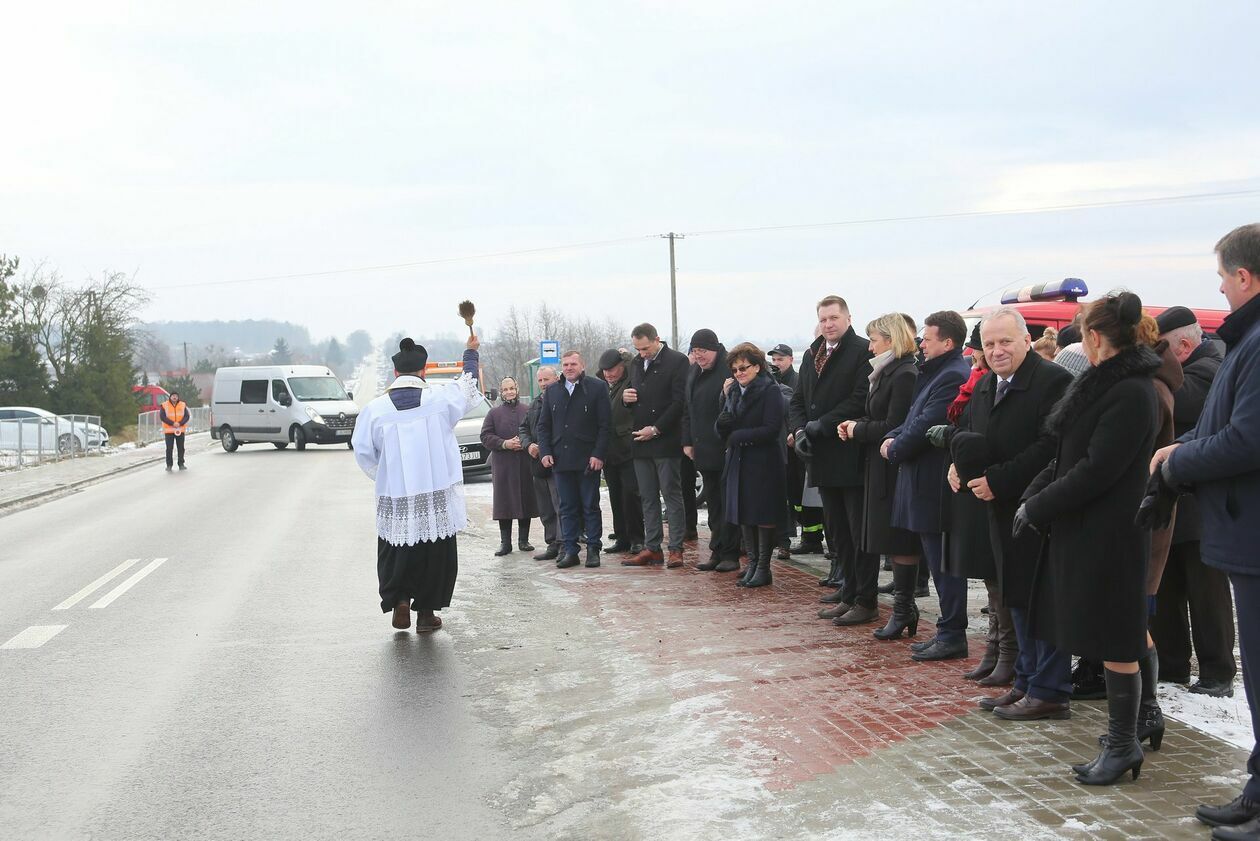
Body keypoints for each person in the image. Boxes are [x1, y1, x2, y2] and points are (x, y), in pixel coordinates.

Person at [1018, 291, 1161, 786]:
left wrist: (1040, 503)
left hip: (1113, 531)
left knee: (1116, 635)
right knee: (1118, 628)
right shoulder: (1106, 385)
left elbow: (1098, 469)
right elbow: (1066, 455)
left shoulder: (1131, 391)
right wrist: (1036, 495)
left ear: (1095, 337)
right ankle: (1143, 721)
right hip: (1090, 527)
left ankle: (1124, 744)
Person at [1152, 224, 1260, 837]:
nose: (1220, 286)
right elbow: (1219, 422)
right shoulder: (1246, 343)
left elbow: (1245, 438)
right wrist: (1184, 450)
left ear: (1243, 277)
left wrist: (1178, 459)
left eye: (1223, 275)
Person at [944, 308, 1073, 715]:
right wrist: (959, 466)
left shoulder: (1054, 382)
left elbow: (1051, 447)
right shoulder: (986, 386)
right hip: (998, 509)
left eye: (1005, 342)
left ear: (1026, 341)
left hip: (1038, 508)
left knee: (1038, 599)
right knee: (1014, 595)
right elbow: (973, 435)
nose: (997, 351)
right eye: (989, 344)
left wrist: (998, 479)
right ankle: (1025, 680)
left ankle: (1049, 689)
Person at [352, 335, 482, 633]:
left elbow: (362, 451)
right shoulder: (440, 399)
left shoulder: (376, 409)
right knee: (436, 551)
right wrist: (470, 352)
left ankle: (399, 600)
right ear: (423, 372)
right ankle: (425, 613)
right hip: (435, 494)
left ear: (395, 373)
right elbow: (468, 383)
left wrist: (385, 475)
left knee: (395, 548)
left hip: (396, 497)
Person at [1150, 307, 1236, 697]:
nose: (1158, 360)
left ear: (1183, 345)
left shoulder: (1209, 370)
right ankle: (1172, 663)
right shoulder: (1194, 367)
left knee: (1207, 595)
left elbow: (1177, 402)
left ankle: (1218, 671)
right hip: (1176, 501)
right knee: (1168, 587)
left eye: (1162, 350)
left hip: (1200, 507)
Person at [881, 310, 971, 661]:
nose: (921, 343)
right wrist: (892, 436)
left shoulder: (952, 375)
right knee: (936, 562)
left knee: (944, 564)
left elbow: (928, 423)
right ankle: (947, 630)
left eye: (928, 338)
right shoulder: (934, 372)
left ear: (947, 342)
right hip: (921, 481)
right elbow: (911, 417)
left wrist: (895, 448)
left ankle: (952, 634)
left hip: (934, 485)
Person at [788, 296, 871, 614]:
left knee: (855, 529)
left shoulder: (862, 351)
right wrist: (799, 430)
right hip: (820, 454)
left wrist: (820, 424)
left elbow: (860, 398)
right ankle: (847, 590)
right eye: (823, 319)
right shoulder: (812, 354)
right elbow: (798, 399)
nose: (828, 324)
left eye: (834, 318)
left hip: (847, 452)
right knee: (835, 529)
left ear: (848, 318)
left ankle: (864, 597)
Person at [837, 314, 919, 635]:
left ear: (891, 339)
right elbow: (877, 415)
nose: (870, 347)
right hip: (877, 464)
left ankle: (903, 608)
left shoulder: (904, 374)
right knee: (884, 536)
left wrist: (859, 429)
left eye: (874, 340)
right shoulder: (886, 372)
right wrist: (855, 424)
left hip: (891, 468)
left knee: (898, 539)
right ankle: (902, 608)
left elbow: (894, 425)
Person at [716, 343, 787, 588]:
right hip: (738, 460)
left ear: (757, 366)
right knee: (744, 511)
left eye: (744, 368)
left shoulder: (770, 390)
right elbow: (725, 424)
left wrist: (737, 436)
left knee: (762, 512)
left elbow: (772, 428)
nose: (739, 373)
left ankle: (764, 567)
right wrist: (722, 424)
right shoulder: (734, 391)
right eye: (735, 370)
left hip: (763, 461)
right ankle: (753, 563)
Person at [622, 323, 690, 568]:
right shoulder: (636, 364)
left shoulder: (678, 361)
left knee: (671, 495)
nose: (642, 354)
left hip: (665, 440)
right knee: (647, 497)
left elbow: (679, 401)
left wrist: (657, 428)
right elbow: (635, 396)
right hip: (641, 440)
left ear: (657, 339)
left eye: (645, 348)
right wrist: (626, 399)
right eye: (638, 349)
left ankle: (675, 549)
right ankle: (652, 548)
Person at [536, 351, 611, 569]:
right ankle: (570, 550)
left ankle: (593, 549)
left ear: (582, 365)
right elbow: (544, 426)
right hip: (561, 459)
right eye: (566, 364)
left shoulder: (596, 388)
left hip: (588, 459)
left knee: (590, 505)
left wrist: (599, 454)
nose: (569, 368)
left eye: (573, 364)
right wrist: (545, 451)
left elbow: (605, 425)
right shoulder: (553, 391)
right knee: (566, 507)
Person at [682, 329, 741, 572]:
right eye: (695, 352)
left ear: (715, 349)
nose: (699, 356)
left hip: (725, 448)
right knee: (714, 504)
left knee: (728, 503)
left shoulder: (729, 370)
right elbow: (688, 409)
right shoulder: (694, 371)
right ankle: (717, 550)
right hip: (703, 449)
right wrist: (687, 441)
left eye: (703, 351)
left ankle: (731, 553)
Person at [480, 377, 538, 556]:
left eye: (512, 388)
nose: (509, 392)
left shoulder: (527, 410)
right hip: (503, 465)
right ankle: (505, 543)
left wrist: (526, 442)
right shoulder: (493, 414)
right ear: (501, 392)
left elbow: (535, 431)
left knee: (525, 498)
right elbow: (485, 436)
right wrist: (504, 443)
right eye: (505, 389)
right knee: (504, 502)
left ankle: (523, 540)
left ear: (517, 389)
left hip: (524, 462)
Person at [598, 348, 644, 555]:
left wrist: (626, 356)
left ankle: (637, 538)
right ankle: (622, 537)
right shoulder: (605, 385)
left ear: (622, 366)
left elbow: (637, 364)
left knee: (631, 496)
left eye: (612, 369)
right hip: (610, 452)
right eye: (605, 371)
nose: (608, 374)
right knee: (615, 496)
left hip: (627, 449)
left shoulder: (630, 380)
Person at [518, 366, 563, 561]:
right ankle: (552, 542)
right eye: (540, 381)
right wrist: (528, 445)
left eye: (547, 379)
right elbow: (523, 428)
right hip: (537, 463)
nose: (543, 384)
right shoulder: (535, 404)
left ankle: (564, 544)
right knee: (545, 508)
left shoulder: (563, 399)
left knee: (560, 505)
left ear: (557, 378)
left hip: (557, 462)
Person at [160, 390, 190, 471]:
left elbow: (187, 416)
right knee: (169, 448)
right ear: (170, 397)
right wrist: (172, 423)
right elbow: (162, 417)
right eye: (173, 395)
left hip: (180, 430)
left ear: (178, 397)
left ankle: (181, 464)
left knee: (181, 448)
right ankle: (169, 465)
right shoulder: (164, 405)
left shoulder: (183, 405)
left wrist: (180, 423)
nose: (174, 397)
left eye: (176, 396)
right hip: (169, 431)